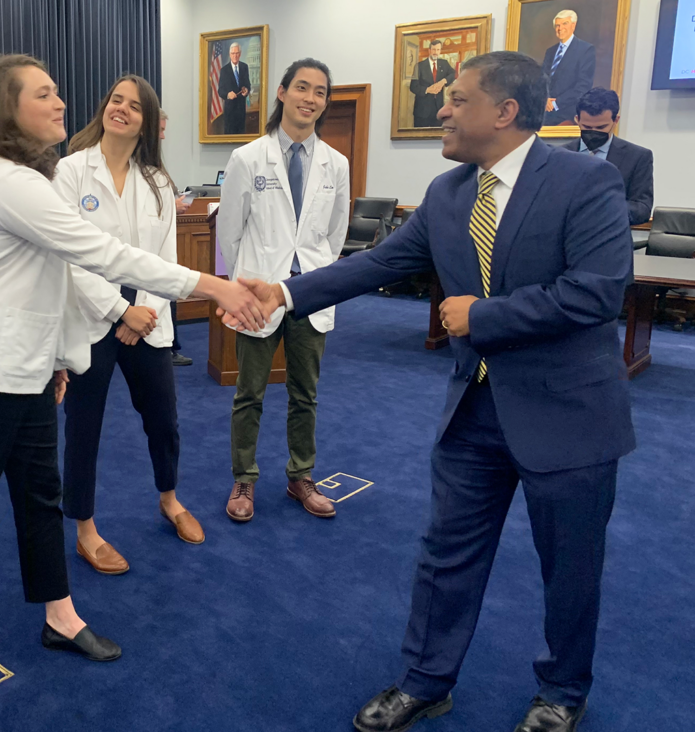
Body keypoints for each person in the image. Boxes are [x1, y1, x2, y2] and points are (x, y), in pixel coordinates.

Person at [233, 51, 634, 732]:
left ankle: (562, 693)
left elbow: (598, 293)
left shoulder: (585, 182)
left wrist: (483, 316)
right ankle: (426, 680)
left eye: (456, 98)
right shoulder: (449, 193)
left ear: (504, 112)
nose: (441, 110)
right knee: (446, 556)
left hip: (569, 419)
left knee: (569, 569)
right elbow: (380, 263)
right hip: (473, 413)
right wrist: (284, 292)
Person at [0, 54, 264, 682]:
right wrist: (216, 286)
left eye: (59, 90)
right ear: (7, 111)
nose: (62, 103)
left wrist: (58, 359)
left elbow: (48, 279)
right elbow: (98, 252)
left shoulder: (25, 178)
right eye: (44, 94)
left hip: (28, 371)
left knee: (42, 498)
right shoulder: (7, 181)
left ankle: (60, 615)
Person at [52, 75, 205, 576]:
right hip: (92, 320)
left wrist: (141, 313)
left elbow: (165, 259)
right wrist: (120, 312)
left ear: (147, 121)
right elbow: (67, 257)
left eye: (134, 106)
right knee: (84, 428)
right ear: (104, 108)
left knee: (163, 420)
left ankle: (169, 498)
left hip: (148, 319)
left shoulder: (159, 182)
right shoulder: (71, 172)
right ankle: (86, 529)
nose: (121, 109)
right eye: (116, 100)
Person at [219, 58, 351, 523]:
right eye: (301, 87)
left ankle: (301, 476)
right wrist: (237, 290)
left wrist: (314, 275)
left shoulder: (337, 164)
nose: (310, 98)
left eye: (319, 92)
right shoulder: (248, 158)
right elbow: (229, 233)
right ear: (281, 92)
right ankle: (244, 479)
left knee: (305, 393)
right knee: (249, 392)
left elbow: (335, 236)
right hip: (259, 295)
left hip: (310, 295)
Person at [563, 87, 654, 225]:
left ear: (615, 120)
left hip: (611, 237)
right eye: (586, 127)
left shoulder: (638, 157)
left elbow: (642, 209)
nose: (593, 132)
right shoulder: (561, 155)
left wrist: (603, 209)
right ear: (577, 119)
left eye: (601, 128)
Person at [159, 108, 194, 366]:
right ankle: (168, 348)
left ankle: (171, 346)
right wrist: (173, 205)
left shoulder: (155, 164)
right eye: (159, 130)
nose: (162, 136)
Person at [541, 10, 595, 126]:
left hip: (568, 111)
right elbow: (542, 79)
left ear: (573, 25)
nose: (560, 28)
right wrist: (545, 99)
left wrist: (555, 104)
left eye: (564, 24)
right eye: (557, 25)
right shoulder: (550, 52)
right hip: (545, 108)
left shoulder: (585, 50)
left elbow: (583, 86)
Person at [409, 40, 456, 128]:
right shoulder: (419, 66)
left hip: (438, 110)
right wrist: (428, 90)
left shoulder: (444, 63)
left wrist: (443, 82)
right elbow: (413, 87)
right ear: (429, 50)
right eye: (434, 50)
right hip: (422, 111)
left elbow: (454, 74)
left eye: (438, 50)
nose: (436, 52)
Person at [217, 42, 252, 135]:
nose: (235, 56)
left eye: (237, 53)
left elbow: (248, 85)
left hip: (241, 111)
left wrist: (247, 91)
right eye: (233, 53)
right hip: (229, 112)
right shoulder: (224, 70)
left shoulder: (245, 67)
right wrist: (228, 95)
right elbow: (220, 91)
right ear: (230, 54)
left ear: (240, 54)